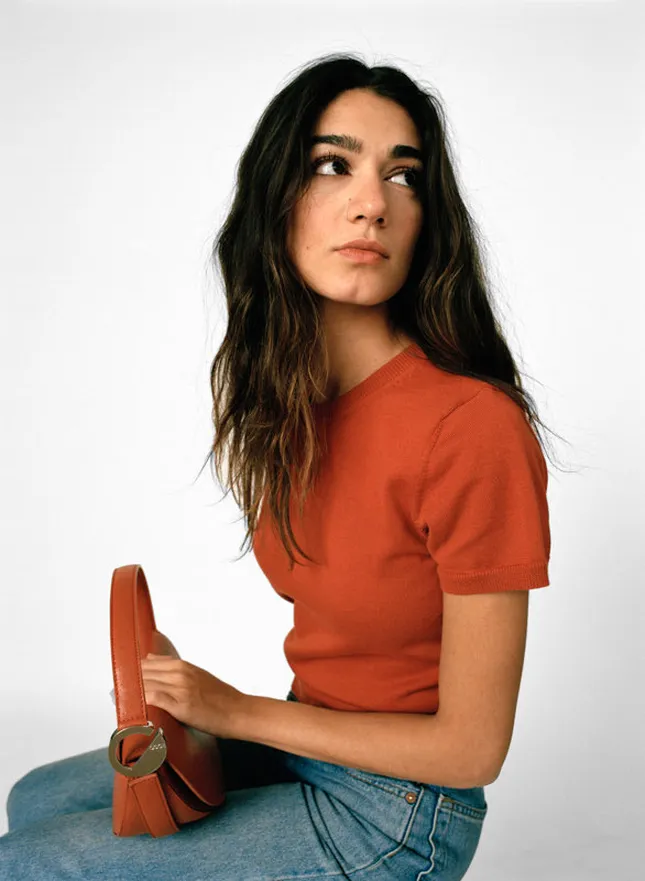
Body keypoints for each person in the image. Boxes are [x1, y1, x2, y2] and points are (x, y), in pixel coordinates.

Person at [1, 51, 557, 879]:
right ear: (278, 202)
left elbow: (472, 749)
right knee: (38, 797)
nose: (371, 203)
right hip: (310, 745)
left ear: (425, 219)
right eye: (333, 165)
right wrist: (184, 698)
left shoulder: (469, 425)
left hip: (400, 812)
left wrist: (231, 710)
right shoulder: (291, 405)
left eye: (402, 177)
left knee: (26, 861)